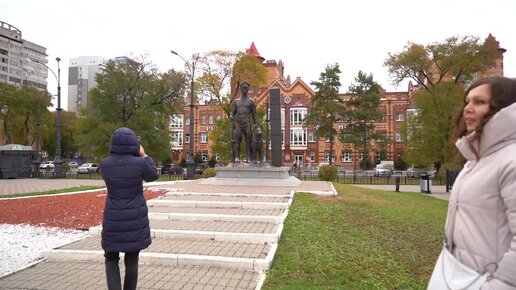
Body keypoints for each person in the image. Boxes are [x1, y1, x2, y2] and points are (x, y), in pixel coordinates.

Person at [433, 76, 516, 289]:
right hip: (457, 274)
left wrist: (498, 285)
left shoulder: (511, 160)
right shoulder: (476, 160)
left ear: (504, 109)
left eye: (479, 102)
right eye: (467, 101)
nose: (467, 109)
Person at [100, 127, 159, 290]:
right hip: (134, 218)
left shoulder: (105, 164)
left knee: (111, 258)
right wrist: (144, 155)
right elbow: (153, 175)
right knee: (132, 260)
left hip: (113, 218)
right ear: (134, 143)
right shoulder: (140, 163)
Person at [230, 81, 257, 162]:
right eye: (244, 88)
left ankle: (248, 157)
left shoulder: (251, 101)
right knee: (237, 141)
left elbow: (254, 114)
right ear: (241, 89)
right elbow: (233, 112)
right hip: (239, 124)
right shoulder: (236, 101)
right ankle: (237, 157)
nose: (246, 89)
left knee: (248, 141)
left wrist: (256, 124)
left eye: (247, 88)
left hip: (247, 124)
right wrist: (231, 116)